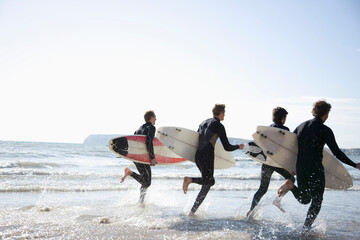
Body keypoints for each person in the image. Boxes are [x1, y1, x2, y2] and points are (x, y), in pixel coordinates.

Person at [277, 100, 360, 229]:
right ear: (326, 114)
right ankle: (306, 228)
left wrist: (290, 168)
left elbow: (291, 148)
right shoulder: (325, 129)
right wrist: (354, 165)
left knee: (305, 199)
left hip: (301, 167)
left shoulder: (301, 126)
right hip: (315, 168)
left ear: (314, 111)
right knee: (317, 200)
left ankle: (291, 186)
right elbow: (337, 153)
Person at [182, 104, 244, 215]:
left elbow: (194, 140)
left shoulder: (203, 123)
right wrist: (238, 147)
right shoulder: (219, 125)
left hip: (198, 156)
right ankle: (189, 180)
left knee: (208, 182)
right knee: (209, 181)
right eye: (224, 113)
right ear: (220, 112)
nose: (224, 115)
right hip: (207, 156)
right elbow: (227, 147)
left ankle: (192, 212)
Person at [247, 107, 295, 217]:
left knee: (262, 189)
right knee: (291, 179)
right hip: (278, 163)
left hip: (267, 162)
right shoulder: (285, 130)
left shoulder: (267, 130)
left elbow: (260, 146)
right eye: (285, 117)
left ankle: (250, 211)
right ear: (283, 118)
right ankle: (278, 199)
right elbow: (288, 149)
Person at [120, 110, 158, 203]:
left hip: (135, 157)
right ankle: (141, 201)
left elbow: (134, 143)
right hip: (143, 157)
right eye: (155, 117)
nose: (156, 119)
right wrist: (152, 157)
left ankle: (141, 201)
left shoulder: (138, 129)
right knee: (147, 182)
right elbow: (149, 141)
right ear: (151, 118)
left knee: (146, 181)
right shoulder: (151, 127)